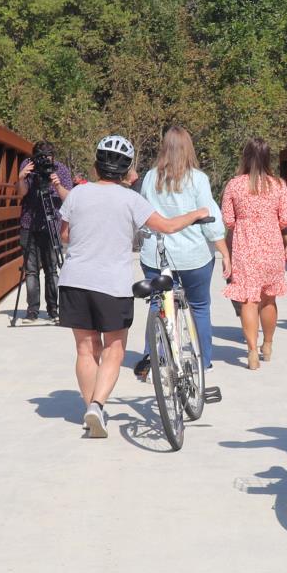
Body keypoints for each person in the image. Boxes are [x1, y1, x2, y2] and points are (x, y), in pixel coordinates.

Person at [57, 134, 213, 439]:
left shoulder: (77, 194)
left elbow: (65, 235)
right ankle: (98, 404)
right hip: (111, 284)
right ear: (128, 170)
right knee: (114, 348)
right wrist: (197, 213)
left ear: (95, 165)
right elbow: (166, 227)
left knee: (86, 349)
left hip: (74, 280)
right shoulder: (131, 199)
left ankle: (91, 408)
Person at [135, 126, 228, 378]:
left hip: (157, 254)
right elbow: (211, 220)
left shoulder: (150, 177)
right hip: (194, 255)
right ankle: (203, 361)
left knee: (158, 304)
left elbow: (143, 214)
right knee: (199, 306)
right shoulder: (198, 179)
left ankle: (154, 357)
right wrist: (224, 252)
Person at [221, 137, 287, 371]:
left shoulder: (234, 185)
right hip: (272, 247)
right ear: (267, 158)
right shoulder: (278, 185)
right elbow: (286, 219)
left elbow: (228, 221)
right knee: (269, 298)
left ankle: (252, 352)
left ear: (245, 157)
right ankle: (268, 345)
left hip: (245, 248)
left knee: (248, 301)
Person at [17, 140, 74, 321]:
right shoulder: (28, 165)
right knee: (31, 270)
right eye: (40, 158)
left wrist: (57, 185)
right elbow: (21, 193)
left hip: (52, 223)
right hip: (29, 223)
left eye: (47, 158)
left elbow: (70, 199)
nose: (44, 162)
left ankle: (54, 309)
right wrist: (21, 178)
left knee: (52, 269)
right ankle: (32, 310)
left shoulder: (61, 170)